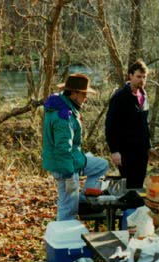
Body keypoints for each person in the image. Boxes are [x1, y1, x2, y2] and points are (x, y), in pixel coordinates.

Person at [42, 73, 109, 221]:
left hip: (73, 160)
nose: (86, 98)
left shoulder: (65, 106)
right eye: (84, 94)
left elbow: (70, 147)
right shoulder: (63, 116)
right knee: (68, 210)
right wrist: (69, 176)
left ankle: (84, 200)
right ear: (73, 93)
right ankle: (62, 241)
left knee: (101, 165)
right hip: (66, 167)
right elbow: (62, 150)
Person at [105, 59, 159, 188]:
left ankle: (135, 209)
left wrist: (149, 146)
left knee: (139, 186)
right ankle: (126, 209)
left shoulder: (143, 95)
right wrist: (114, 150)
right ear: (130, 75)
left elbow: (144, 124)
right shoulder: (119, 97)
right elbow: (110, 125)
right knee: (128, 186)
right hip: (125, 150)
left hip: (141, 151)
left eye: (144, 77)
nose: (142, 80)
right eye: (138, 76)